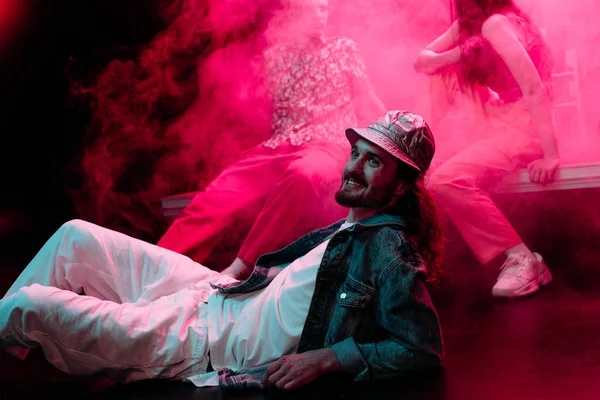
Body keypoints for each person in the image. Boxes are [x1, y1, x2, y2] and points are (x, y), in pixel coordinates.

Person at [1, 110, 443, 391]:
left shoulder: (390, 251)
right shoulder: (353, 226)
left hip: (199, 341)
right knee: (75, 235)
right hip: (214, 293)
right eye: (356, 153)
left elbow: (421, 349)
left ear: (401, 186)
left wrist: (328, 358)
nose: (352, 168)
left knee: (27, 305)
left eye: (373, 161)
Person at [156, 0, 386, 278]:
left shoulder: (344, 49)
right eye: (308, 10)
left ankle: (241, 267)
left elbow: (367, 100)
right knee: (217, 196)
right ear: (291, 15)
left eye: (323, 9)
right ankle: (155, 265)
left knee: (302, 175)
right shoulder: (275, 56)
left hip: (327, 143)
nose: (318, 17)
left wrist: (393, 142)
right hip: (280, 144)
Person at [413, 0, 559, 298]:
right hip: (495, 116)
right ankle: (418, 145)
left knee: (446, 180)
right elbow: (421, 61)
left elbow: (535, 89)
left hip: (524, 123)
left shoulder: (498, 24)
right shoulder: (470, 26)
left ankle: (523, 258)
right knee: (441, 72)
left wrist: (551, 154)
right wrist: (464, 52)